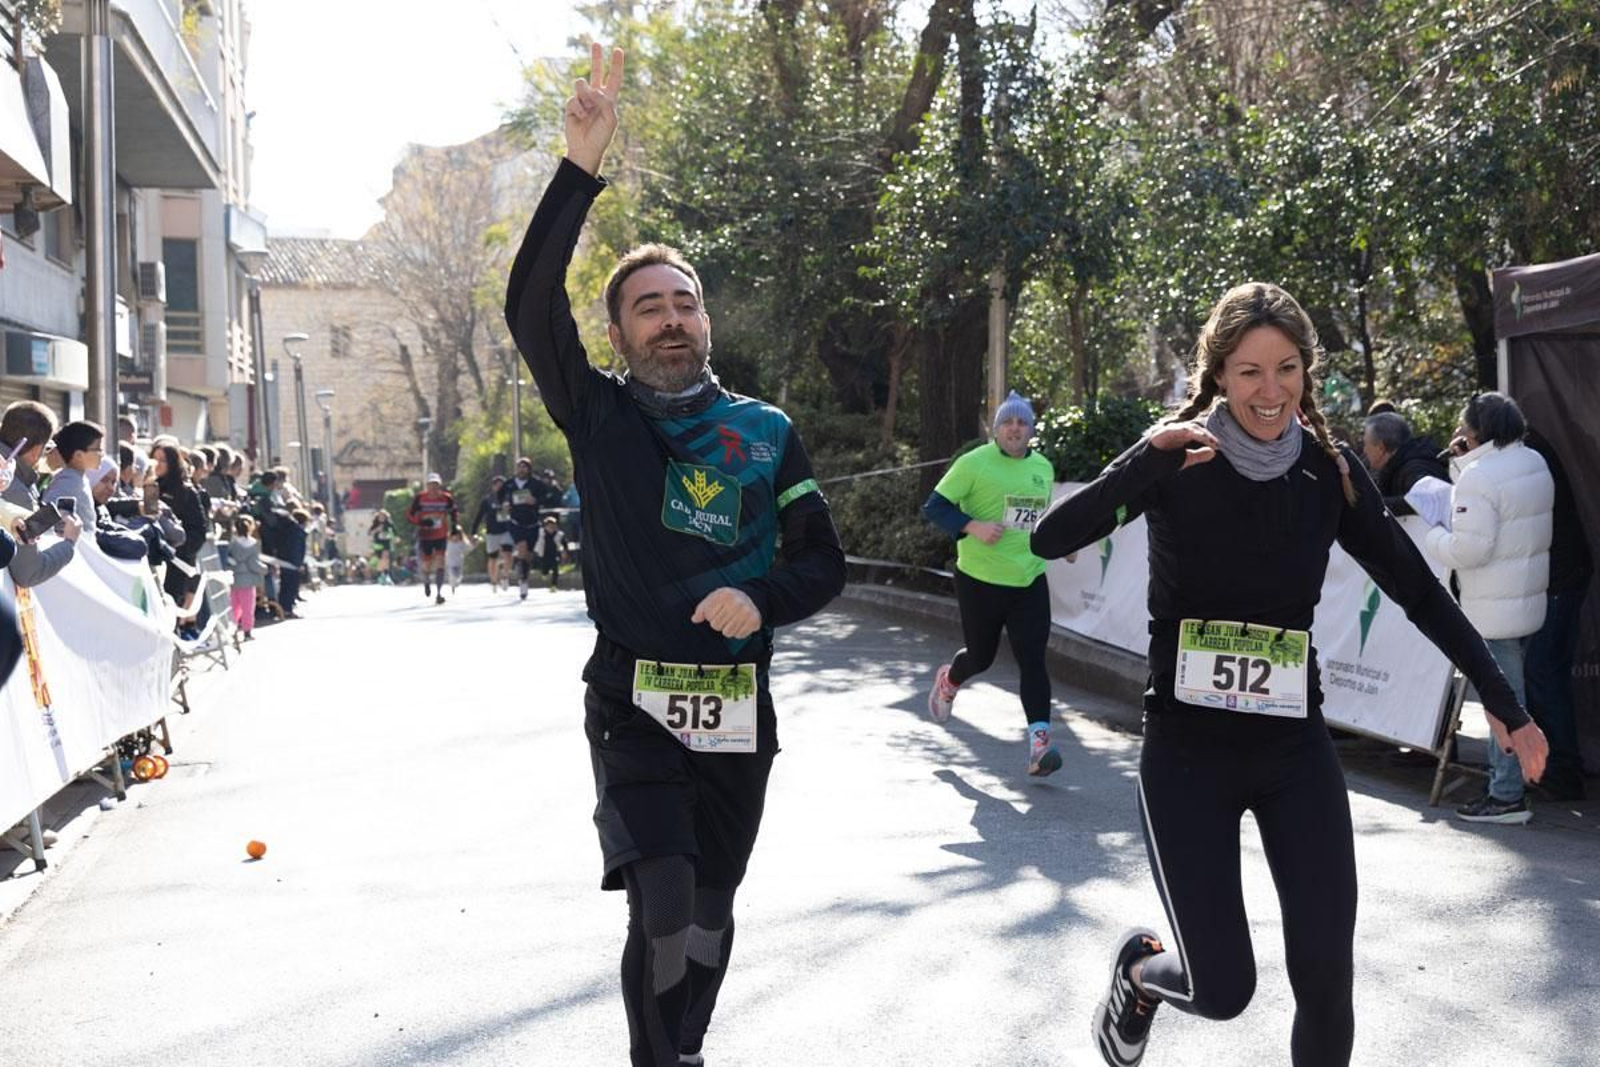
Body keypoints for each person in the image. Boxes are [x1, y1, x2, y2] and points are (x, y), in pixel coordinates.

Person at [1029, 283, 1548, 1067]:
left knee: (1326, 981)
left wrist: (1506, 704)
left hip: (1291, 752)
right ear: (1219, 374)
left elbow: (1416, 588)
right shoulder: (1177, 459)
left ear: (1306, 370)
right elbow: (1050, 539)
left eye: (1286, 369)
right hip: (1187, 752)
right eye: (1248, 372)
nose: (1270, 391)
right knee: (1223, 986)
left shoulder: (1328, 472)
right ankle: (1139, 974)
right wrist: (1145, 455)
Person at [503, 43, 845, 1067]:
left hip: (738, 705)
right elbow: (528, 305)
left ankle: (677, 1043)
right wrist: (579, 168)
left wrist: (759, 593)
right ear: (616, 331)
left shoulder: (766, 430)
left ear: (705, 318)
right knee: (658, 900)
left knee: (704, 908)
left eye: (682, 300)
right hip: (633, 697)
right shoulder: (598, 416)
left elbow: (822, 562)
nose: (669, 315)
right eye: (646, 303)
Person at [1421, 392, 1554, 824]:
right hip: (1527, 599)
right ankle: (1513, 786)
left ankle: (1506, 794)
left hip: (1492, 607)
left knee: (1504, 703)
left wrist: (1433, 538)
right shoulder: (1534, 461)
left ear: (1478, 431)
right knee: (1516, 696)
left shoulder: (1480, 475)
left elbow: (1470, 548)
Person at [922, 390, 1062, 776]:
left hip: (1029, 577)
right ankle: (949, 681)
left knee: (1032, 658)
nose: (1015, 428)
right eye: (1008, 422)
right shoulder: (974, 463)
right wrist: (972, 526)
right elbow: (934, 506)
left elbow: (1041, 518)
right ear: (996, 428)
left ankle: (1039, 747)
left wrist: (1063, 543)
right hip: (980, 580)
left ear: (1031, 430)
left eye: (1022, 422)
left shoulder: (1043, 468)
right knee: (980, 657)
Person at [1521, 427, 1592, 800]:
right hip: (1559, 576)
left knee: (1543, 672)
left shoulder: (1525, 458)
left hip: (1558, 579)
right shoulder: (1530, 451)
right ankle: (1558, 765)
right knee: (1546, 672)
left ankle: (1562, 769)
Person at [0, 401, 82, 588]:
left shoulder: (19, 485)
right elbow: (28, 573)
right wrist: (69, 543)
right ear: (36, 451)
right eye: (46, 448)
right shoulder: (18, 492)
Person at [1359, 410, 1448, 517]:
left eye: (1366, 444)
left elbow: (1428, 499)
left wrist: (1374, 506)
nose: (1364, 450)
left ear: (1381, 448)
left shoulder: (1414, 468)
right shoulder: (1399, 465)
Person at [407, 473, 457, 604]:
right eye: (431, 485)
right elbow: (410, 515)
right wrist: (421, 522)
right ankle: (426, 580)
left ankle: (439, 593)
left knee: (441, 561)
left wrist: (455, 526)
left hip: (441, 535)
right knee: (427, 563)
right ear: (427, 486)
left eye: (436, 485)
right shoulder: (420, 498)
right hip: (425, 535)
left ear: (439, 486)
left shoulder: (446, 498)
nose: (433, 488)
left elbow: (453, 512)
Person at [499, 457, 544, 598]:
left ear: (529, 469)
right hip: (516, 522)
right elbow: (501, 496)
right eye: (519, 466)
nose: (521, 469)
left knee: (528, 556)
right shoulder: (509, 484)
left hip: (533, 523)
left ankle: (524, 575)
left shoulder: (536, 483)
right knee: (522, 549)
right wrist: (505, 504)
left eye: (524, 467)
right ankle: (522, 582)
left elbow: (546, 497)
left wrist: (535, 501)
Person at [471, 474, 514, 591]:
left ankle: (505, 575)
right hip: (492, 532)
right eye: (497, 485)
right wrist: (474, 532)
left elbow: (518, 513)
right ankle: (494, 581)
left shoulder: (510, 498)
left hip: (506, 530)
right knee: (492, 558)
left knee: (508, 555)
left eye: (502, 485)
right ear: (493, 487)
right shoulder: (487, 500)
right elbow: (479, 516)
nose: (499, 487)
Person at [228, 515, 269, 639]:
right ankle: (247, 632)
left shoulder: (233, 543)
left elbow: (229, 560)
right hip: (249, 580)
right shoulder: (254, 544)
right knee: (248, 608)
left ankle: (232, 629)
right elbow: (254, 564)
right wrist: (264, 569)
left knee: (234, 606)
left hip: (234, 579)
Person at [531, 514, 569, 592]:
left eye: (553, 526)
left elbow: (564, 544)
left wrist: (564, 552)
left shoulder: (559, 535)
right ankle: (544, 573)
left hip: (554, 554)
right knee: (545, 569)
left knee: (555, 570)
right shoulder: (540, 533)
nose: (551, 528)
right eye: (549, 526)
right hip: (544, 554)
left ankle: (554, 585)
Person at [444, 524, 474, 595]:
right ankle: (452, 583)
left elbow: (469, 547)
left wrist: (473, 544)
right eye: (454, 535)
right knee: (451, 574)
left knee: (459, 575)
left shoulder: (462, 543)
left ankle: (455, 583)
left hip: (459, 562)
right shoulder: (447, 542)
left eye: (457, 535)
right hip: (450, 562)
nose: (455, 537)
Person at [370, 509, 396, 585]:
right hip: (378, 544)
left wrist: (395, 537)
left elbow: (394, 532)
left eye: (383, 516)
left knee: (386, 557)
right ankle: (381, 575)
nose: (381, 517)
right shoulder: (375, 523)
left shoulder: (389, 524)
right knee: (381, 560)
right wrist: (377, 529)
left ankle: (387, 575)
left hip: (386, 543)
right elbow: (370, 532)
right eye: (380, 516)